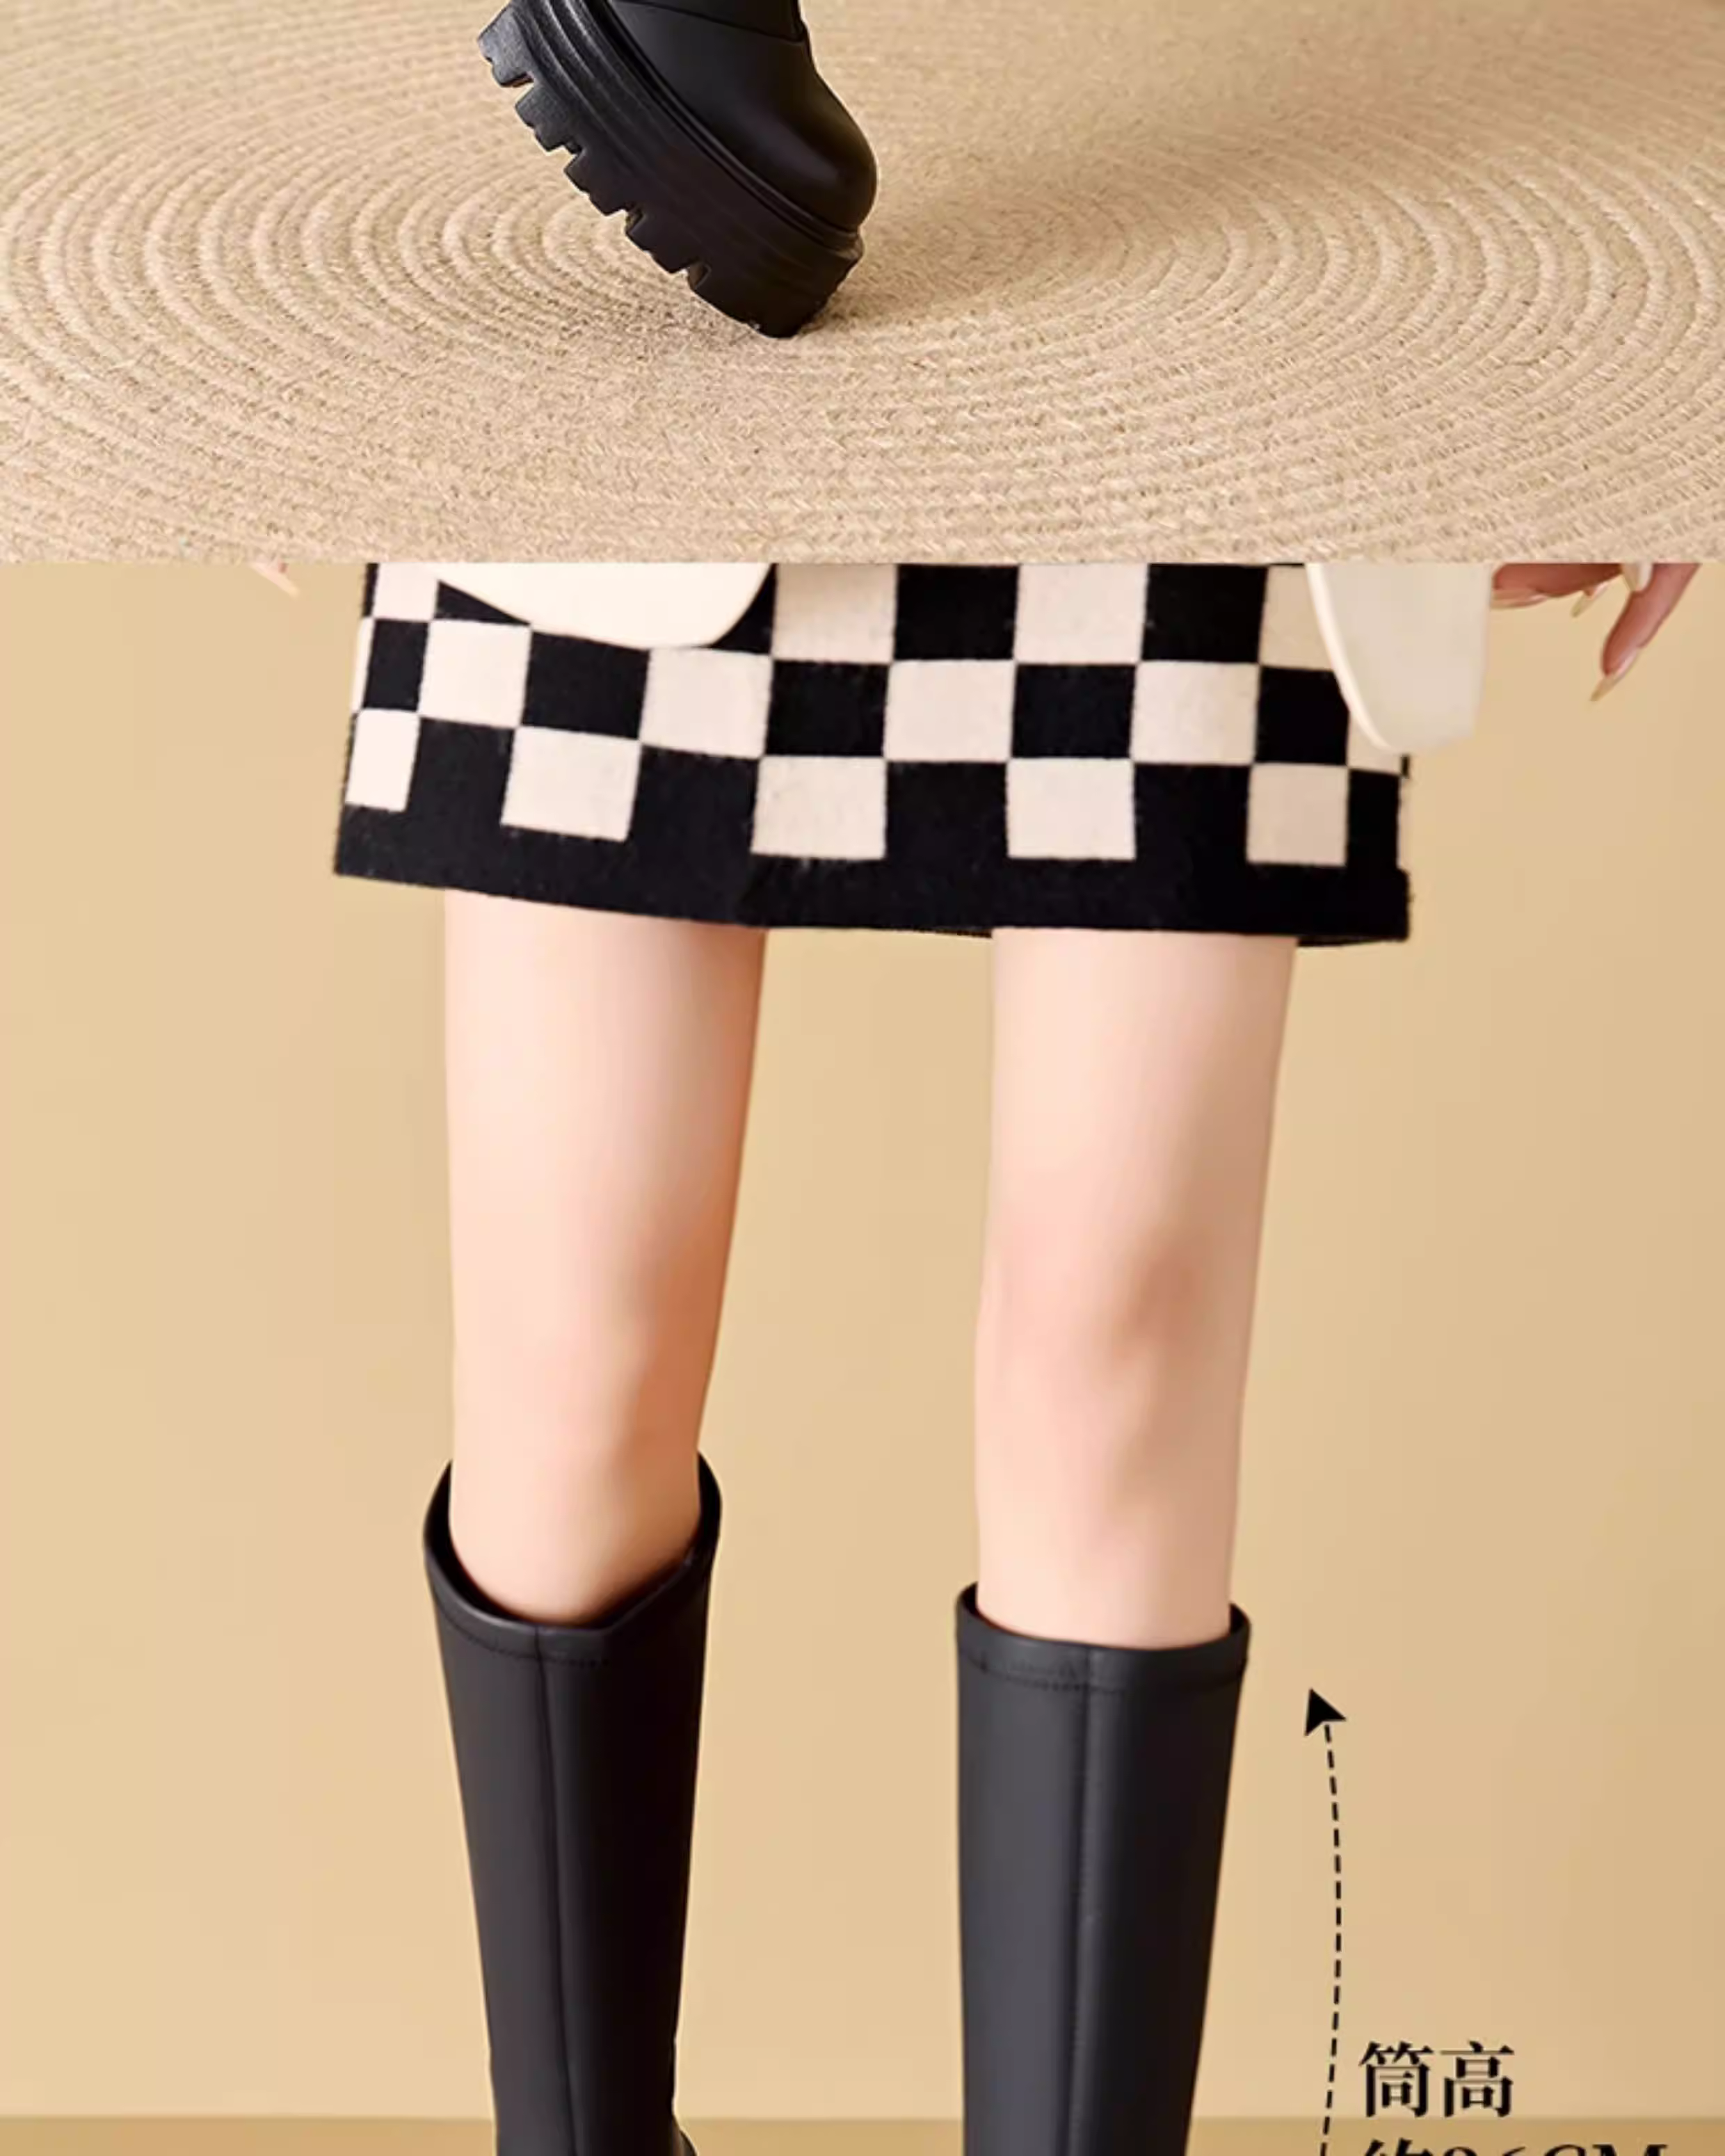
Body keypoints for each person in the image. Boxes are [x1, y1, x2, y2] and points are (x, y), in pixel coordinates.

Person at [328, 557, 1697, 2156]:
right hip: (622, 429)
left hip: (1207, 434)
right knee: (571, 1344)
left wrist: (1627, 415)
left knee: (1117, 1327)